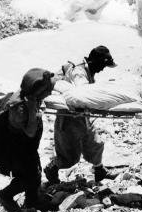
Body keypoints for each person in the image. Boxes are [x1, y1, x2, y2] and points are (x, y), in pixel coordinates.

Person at [44, 46, 116, 184]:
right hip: (69, 116)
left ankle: (99, 171)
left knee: (95, 142)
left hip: (82, 114)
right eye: (102, 66)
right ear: (95, 62)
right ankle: (52, 169)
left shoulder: (87, 67)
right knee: (69, 155)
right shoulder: (79, 73)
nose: (102, 69)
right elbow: (83, 94)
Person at [0, 68, 54, 212]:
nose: (49, 93)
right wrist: (32, 111)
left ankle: (32, 200)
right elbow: (30, 132)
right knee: (27, 177)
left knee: (35, 172)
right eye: (46, 90)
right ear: (35, 89)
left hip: (25, 147)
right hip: (15, 148)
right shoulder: (20, 108)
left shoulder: (30, 97)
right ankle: (5, 195)